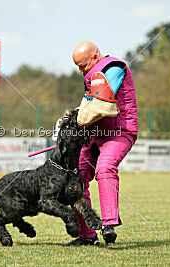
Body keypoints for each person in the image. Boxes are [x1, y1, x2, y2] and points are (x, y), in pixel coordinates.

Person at [64, 41, 138, 246]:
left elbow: (101, 100)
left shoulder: (113, 68)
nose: (80, 70)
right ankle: (86, 235)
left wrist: (77, 120)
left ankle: (108, 224)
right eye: (77, 66)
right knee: (74, 176)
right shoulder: (91, 75)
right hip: (96, 134)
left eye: (83, 65)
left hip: (120, 131)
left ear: (95, 56)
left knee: (105, 167)